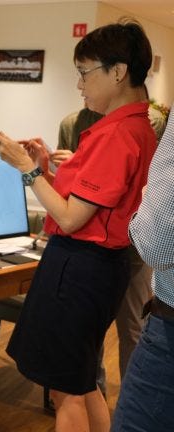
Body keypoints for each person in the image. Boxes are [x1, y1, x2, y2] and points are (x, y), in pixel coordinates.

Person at [0, 19, 156, 432]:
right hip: (97, 267)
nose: (80, 86)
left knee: (66, 389)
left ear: (118, 72)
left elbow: (69, 217)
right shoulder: (139, 125)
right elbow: (83, 201)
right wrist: (44, 166)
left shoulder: (118, 133)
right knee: (78, 381)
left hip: (81, 268)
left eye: (84, 73)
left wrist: (26, 169)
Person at [54, 103, 165, 398]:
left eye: (86, 72)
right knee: (89, 334)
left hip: (134, 246)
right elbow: (67, 191)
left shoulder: (149, 122)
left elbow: (145, 181)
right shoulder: (71, 123)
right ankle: (94, 400)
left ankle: (131, 405)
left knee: (132, 329)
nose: (81, 84)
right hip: (87, 247)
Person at [111, 109, 174, 431]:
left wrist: (148, 201)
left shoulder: (131, 130)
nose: (80, 85)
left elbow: (158, 243)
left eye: (85, 72)